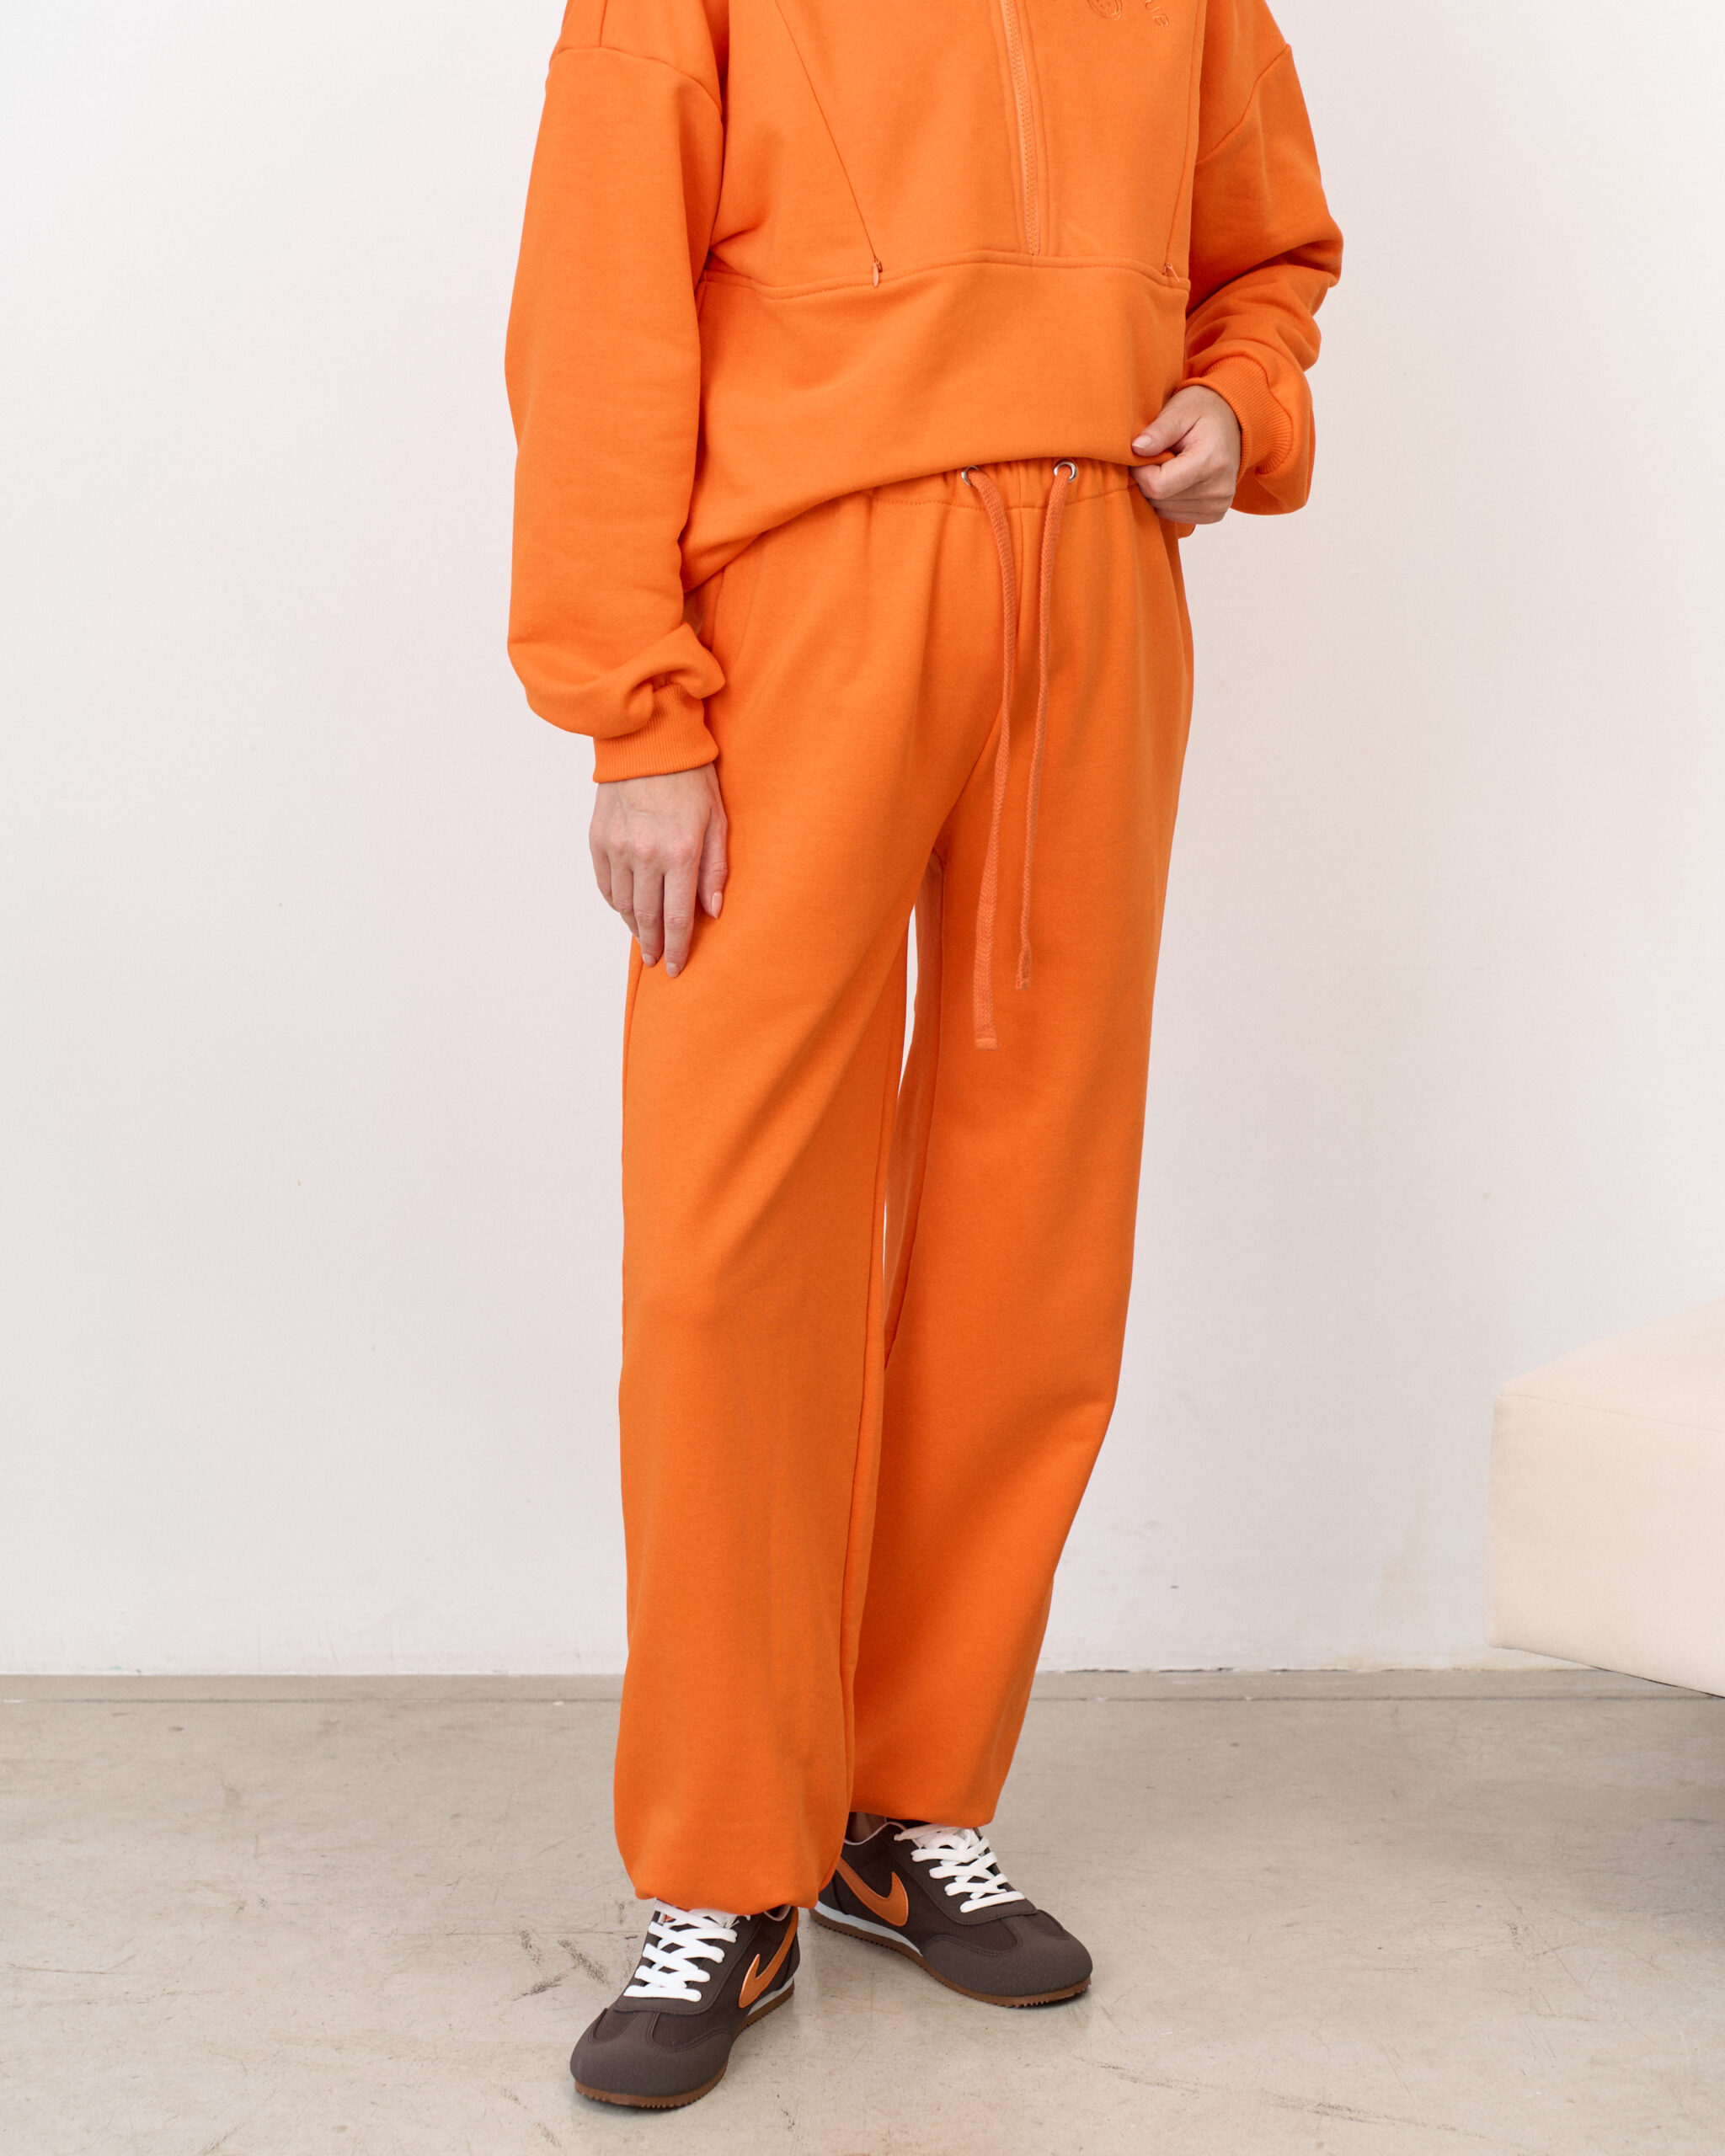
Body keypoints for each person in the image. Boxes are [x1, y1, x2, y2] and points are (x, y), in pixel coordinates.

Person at [506, 0, 1340, 2111]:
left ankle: (906, 1798)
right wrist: (636, 713)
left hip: (1095, 594)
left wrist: (1238, 404)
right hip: (804, 597)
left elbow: (1267, 252)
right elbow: (598, 316)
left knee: (1027, 1223)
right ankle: (723, 1861)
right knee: (732, 1248)